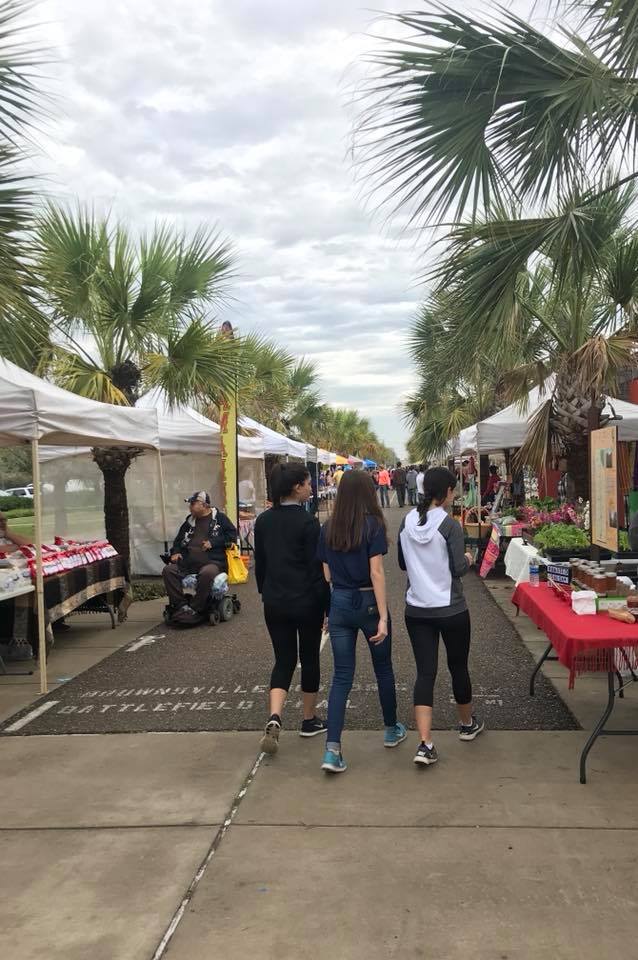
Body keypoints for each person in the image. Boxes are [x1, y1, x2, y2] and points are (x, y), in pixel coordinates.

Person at [317, 470, 405, 773]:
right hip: (368, 601)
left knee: (341, 676)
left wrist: (329, 609)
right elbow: (377, 572)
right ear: (368, 493)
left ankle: (332, 751)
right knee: (383, 669)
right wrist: (383, 616)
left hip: (339, 601)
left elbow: (326, 574)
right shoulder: (373, 525)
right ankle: (391, 729)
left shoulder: (328, 527)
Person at [398, 466, 484, 766]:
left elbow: (401, 563)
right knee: (458, 666)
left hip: (417, 608)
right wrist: (470, 558)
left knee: (425, 673)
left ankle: (425, 743)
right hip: (451, 608)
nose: (454, 494)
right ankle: (466, 724)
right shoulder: (449, 525)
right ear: (446, 492)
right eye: (453, 489)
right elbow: (458, 568)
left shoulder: (406, 522)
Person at [254, 463, 330, 755]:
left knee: (283, 659)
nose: (311, 487)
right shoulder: (309, 523)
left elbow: (261, 565)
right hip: (306, 601)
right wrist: (326, 605)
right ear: (296, 487)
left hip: (274, 601)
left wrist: (265, 592)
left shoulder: (263, 522)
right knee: (309, 658)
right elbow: (316, 570)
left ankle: (275, 715)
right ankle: (308, 720)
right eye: (308, 483)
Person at [162, 491, 238, 625]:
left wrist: (213, 543)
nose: (190, 507)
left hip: (213, 562)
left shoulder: (220, 519)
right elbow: (178, 541)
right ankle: (181, 606)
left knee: (207, 573)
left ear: (204, 505)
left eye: (193, 504)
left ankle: (196, 609)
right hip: (188, 562)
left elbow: (232, 536)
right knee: (169, 571)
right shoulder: (189, 521)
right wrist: (176, 552)